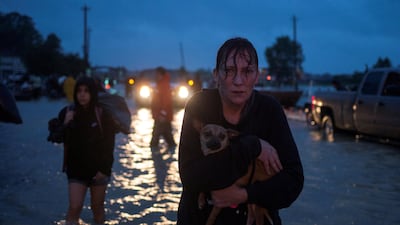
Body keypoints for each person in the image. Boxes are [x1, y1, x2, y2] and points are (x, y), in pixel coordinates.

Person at [177, 37, 304, 225]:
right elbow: (190, 176)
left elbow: (293, 181)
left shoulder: (270, 110)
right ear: (216, 75)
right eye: (229, 71)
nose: (238, 80)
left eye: (247, 71)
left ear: (256, 76)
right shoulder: (200, 106)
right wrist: (253, 145)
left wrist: (244, 195)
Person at [57, 76, 118, 224]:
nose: (82, 95)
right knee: (74, 207)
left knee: (97, 209)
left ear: (93, 93)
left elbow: (109, 145)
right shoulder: (68, 112)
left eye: (86, 91)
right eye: (79, 91)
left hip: (99, 171)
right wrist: (65, 124)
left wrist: (104, 170)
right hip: (76, 170)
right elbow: (56, 138)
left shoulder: (102, 114)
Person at [150, 66, 177, 148]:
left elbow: (166, 100)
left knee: (155, 139)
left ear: (160, 74)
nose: (155, 76)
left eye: (157, 74)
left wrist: (162, 114)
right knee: (168, 136)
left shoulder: (163, 85)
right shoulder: (161, 84)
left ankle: (155, 154)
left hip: (161, 116)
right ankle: (173, 151)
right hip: (161, 116)